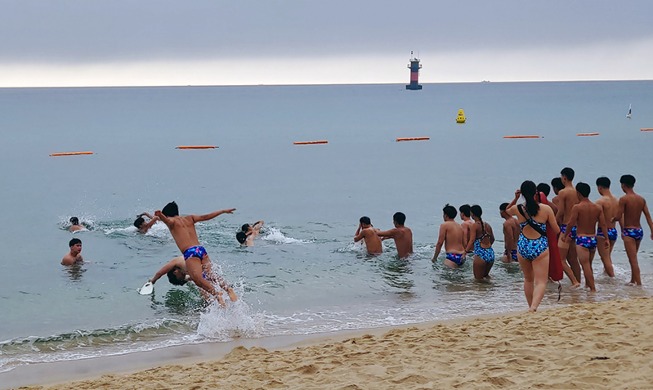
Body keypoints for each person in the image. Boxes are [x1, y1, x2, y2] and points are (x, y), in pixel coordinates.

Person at [155, 201, 238, 305]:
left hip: (190, 253)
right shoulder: (190, 218)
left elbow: (166, 220)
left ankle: (217, 294)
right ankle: (228, 289)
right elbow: (206, 217)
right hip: (201, 249)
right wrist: (222, 211)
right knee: (209, 275)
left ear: (167, 214)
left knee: (197, 280)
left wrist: (160, 215)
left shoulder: (172, 222)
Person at [507, 180, 560, 312]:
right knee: (541, 281)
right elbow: (556, 230)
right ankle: (534, 307)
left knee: (528, 279)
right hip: (539, 246)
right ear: (536, 192)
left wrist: (515, 198)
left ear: (523, 193)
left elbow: (507, 211)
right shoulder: (546, 209)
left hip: (523, 245)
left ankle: (530, 306)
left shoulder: (518, 209)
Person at [563, 182, 609, 292]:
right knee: (589, 264)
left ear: (578, 193)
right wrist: (606, 238)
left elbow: (571, 223)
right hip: (593, 238)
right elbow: (602, 224)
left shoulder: (577, 207)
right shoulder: (597, 207)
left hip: (582, 239)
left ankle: (593, 288)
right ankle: (588, 286)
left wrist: (565, 235)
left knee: (585, 265)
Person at [614, 174, 653, 286]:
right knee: (633, 256)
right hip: (639, 231)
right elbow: (648, 217)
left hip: (629, 231)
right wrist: (652, 230)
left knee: (633, 260)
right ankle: (633, 280)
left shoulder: (624, 199)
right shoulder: (641, 199)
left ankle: (639, 283)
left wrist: (612, 218)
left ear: (623, 185)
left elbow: (618, 216)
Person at [556, 167, 581, 286]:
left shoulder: (563, 192)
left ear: (564, 177)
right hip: (577, 228)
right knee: (573, 259)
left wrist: (554, 223)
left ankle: (574, 281)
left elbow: (560, 212)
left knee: (560, 259)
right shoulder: (578, 192)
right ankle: (579, 281)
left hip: (566, 228)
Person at [594, 177, 618, 277]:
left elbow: (595, 218)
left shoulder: (600, 202)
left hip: (603, 232)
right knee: (607, 256)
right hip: (613, 230)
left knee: (605, 258)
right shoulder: (617, 200)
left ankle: (612, 279)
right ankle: (607, 277)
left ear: (599, 187)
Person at [465, 205, 495, 280]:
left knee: (478, 280)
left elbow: (471, 240)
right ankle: (492, 290)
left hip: (481, 254)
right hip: (490, 253)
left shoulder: (474, 226)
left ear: (472, 214)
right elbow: (493, 239)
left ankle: (481, 292)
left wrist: (465, 252)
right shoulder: (487, 225)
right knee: (486, 277)